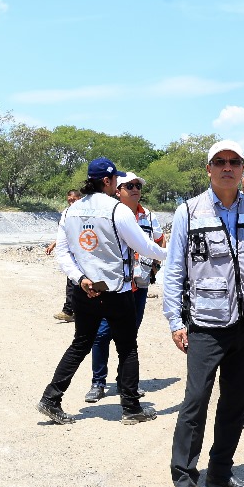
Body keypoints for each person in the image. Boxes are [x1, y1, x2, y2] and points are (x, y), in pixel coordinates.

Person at [163, 141, 244, 487]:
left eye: (234, 162)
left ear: (243, 170)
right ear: (208, 169)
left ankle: (221, 471)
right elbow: (175, 269)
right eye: (220, 162)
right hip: (206, 324)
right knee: (195, 402)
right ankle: (184, 479)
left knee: (235, 402)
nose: (228, 167)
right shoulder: (189, 211)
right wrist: (175, 321)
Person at [38, 158, 167, 425]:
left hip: (85, 290)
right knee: (127, 347)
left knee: (81, 343)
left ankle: (51, 398)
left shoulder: (70, 212)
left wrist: (80, 278)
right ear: (108, 181)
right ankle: (131, 408)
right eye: (117, 181)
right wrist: (173, 255)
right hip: (117, 291)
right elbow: (144, 247)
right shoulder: (118, 211)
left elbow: (63, 252)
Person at [85, 172, 165, 402]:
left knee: (129, 335)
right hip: (113, 286)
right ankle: (98, 382)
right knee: (101, 335)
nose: (135, 189)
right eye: (129, 185)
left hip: (138, 286)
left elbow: (159, 239)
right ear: (117, 191)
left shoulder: (148, 216)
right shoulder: (109, 213)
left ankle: (124, 381)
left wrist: (156, 265)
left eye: (138, 185)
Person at [47, 189, 82, 322]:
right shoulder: (67, 214)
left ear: (80, 198)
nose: (71, 202)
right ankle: (69, 310)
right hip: (72, 255)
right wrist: (54, 244)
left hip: (83, 254)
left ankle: (71, 311)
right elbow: (65, 234)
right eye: (69, 200)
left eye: (74, 199)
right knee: (72, 282)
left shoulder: (84, 214)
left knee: (76, 284)